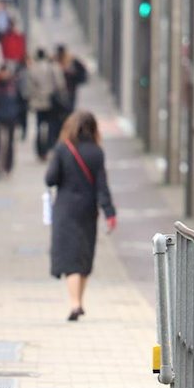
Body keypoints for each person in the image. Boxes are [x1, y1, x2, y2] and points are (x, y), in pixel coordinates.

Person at [45, 111, 117, 321]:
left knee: (70, 256)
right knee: (83, 254)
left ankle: (75, 303)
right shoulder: (97, 152)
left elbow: (50, 179)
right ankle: (80, 302)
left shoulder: (62, 148)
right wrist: (109, 212)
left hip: (65, 209)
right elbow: (102, 187)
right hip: (88, 209)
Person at [27, 49, 67, 161]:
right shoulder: (53, 67)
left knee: (39, 126)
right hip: (51, 101)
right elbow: (60, 84)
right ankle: (49, 147)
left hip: (38, 102)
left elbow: (29, 88)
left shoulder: (32, 69)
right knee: (51, 126)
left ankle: (40, 151)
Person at [0, 63, 21, 177]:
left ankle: (8, 166)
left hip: (12, 117)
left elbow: (20, 101)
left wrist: (18, 115)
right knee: (0, 143)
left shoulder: (14, 86)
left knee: (10, 144)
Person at [55, 44, 88, 117]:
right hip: (61, 90)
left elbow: (81, 71)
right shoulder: (55, 60)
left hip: (69, 89)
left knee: (69, 110)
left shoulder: (71, 60)